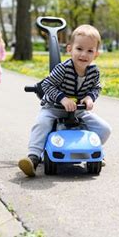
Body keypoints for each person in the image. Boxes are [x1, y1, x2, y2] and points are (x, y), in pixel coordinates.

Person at [18, 24, 112, 177]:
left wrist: (90, 97)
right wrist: (62, 98)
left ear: (96, 54)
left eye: (90, 51)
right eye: (79, 49)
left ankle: (92, 151)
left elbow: (96, 88)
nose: (84, 54)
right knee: (42, 123)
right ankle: (33, 158)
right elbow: (47, 84)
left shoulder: (94, 72)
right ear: (69, 49)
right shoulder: (63, 69)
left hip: (78, 110)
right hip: (53, 107)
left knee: (105, 128)